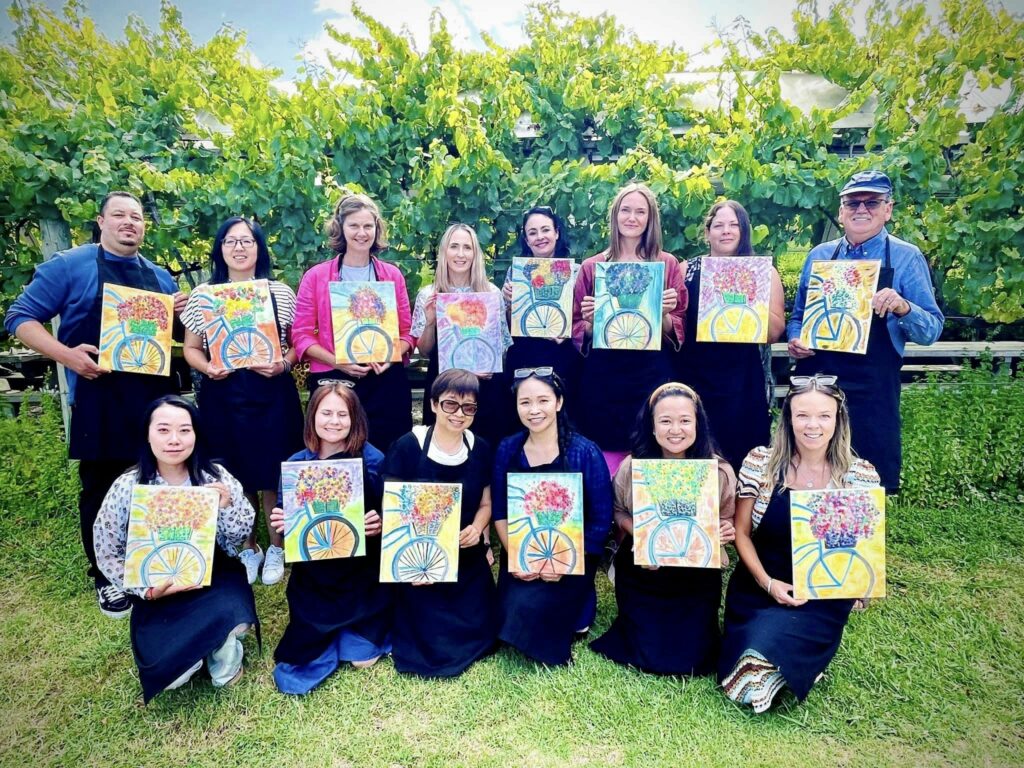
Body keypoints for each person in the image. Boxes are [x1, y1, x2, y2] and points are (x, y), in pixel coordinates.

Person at [4, 191, 185, 618]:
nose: (129, 223)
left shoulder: (160, 278)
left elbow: (177, 336)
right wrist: (67, 355)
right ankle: (106, 577)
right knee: (101, 490)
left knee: (154, 487)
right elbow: (20, 319)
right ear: (100, 221)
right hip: (98, 397)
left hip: (152, 400)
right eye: (119, 215)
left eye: (137, 218)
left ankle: (152, 560)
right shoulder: (71, 265)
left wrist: (183, 311)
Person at [718, 375, 880, 712]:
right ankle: (781, 662)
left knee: (768, 651)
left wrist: (859, 589)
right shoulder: (760, 464)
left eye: (824, 416)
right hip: (760, 585)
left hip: (823, 591)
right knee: (749, 654)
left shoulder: (858, 476)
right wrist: (768, 583)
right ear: (788, 419)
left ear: (838, 420)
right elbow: (742, 533)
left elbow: (862, 546)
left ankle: (788, 663)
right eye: (802, 415)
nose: (813, 425)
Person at [92, 395, 257, 702]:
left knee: (236, 624)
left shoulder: (215, 478)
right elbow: (107, 549)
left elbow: (239, 534)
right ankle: (195, 653)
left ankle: (225, 657)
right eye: (164, 430)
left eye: (184, 430)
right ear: (147, 434)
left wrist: (226, 506)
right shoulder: (128, 486)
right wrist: (146, 589)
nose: (174, 440)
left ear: (196, 434)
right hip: (159, 583)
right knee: (173, 678)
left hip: (214, 576)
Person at [787, 171, 944, 491]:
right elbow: (799, 316)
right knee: (813, 460)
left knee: (869, 469)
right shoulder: (819, 256)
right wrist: (794, 338)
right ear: (842, 211)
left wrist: (904, 308)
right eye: (852, 202)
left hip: (873, 385)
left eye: (871, 202)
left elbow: (931, 331)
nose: (861, 209)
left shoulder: (905, 257)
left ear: (888, 209)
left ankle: (862, 532)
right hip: (820, 379)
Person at [181, 216, 304, 586]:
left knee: (275, 473)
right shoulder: (204, 295)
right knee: (233, 473)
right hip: (223, 394)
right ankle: (248, 548)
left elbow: (298, 342)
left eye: (247, 241)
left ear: (259, 248)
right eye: (230, 241)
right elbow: (190, 348)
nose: (239, 247)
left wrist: (283, 363)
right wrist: (208, 367)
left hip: (272, 391)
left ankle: (278, 547)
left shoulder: (280, 291)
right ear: (220, 249)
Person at [589, 383, 736, 675]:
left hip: (696, 572)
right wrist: (641, 531)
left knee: (693, 656)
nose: (675, 429)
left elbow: (727, 519)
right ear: (652, 427)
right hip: (645, 569)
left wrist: (724, 530)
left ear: (698, 424)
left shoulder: (717, 471)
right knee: (647, 649)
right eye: (665, 421)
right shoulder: (633, 467)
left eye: (685, 421)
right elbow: (617, 512)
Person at [268, 382, 392, 694]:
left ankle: (354, 632)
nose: (334, 421)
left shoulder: (374, 459)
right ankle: (327, 636)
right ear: (312, 416)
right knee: (300, 661)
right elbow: (289, 514)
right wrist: (283, 521)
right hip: (315, 575)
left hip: (360, 572)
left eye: (342, 414)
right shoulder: (296, 463)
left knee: (363, 659)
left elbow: (390, 511)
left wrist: (379, 523)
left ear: (355, 419)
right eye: (326, 413)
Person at [491, 368, 613, 666]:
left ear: (558, 402)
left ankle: (579, 605)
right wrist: (518, 557)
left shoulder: (585, 451)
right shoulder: (508, 448)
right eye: (525, 402)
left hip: (572, 557)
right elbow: (500, 511)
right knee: (513, 611)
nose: (534, 410)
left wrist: (565, 562)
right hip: (523, 553)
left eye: (543, 400)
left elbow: (600, 520)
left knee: (556, 615)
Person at [383, 369, 497, 677]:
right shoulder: (408, 446)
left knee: (483, 628)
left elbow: (486, 503)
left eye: (468, 407)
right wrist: (409, 563)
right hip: (420, 561)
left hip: (465, 557)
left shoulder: (480, 447)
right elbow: (393, 510)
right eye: (450, 404)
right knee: (426, 636)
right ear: (433, 404)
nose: (459, 414)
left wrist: (477, 529)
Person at [572, 183, 686, 473]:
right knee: (603, 446)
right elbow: (576, 328)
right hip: (604, 375)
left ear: (650, 219)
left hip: (650, 371)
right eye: (625, 210)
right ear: (615, 215)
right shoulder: (592, 266)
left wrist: (662, 313)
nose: (632, 217)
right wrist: (590, 321)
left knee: (650, 443)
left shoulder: (667, 264)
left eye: (640, 211)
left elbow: (677, 330)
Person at [293, 193, 414, 454]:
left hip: (384, 379)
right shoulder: (315, 277)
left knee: (388, 455)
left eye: (368, 226)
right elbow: (301, 336)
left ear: (377, 228)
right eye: (354, 226)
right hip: (334, 379)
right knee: (337, 455)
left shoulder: (392, 275)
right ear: (341, 228)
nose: (362, 233)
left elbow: (407, 334)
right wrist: (338, 361)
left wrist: (391, 356)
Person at [679, 200, 786, 470]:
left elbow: (775, 332)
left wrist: (748, 305)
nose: (726, 231)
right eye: (718, 225)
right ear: (707, 232)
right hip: (694, 378)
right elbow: (674, 325)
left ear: (744, 231)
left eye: (733, 225)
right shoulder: (686, 270)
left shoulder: (763, 272)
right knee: (695, 455)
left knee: (743, 457)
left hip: (743, 383)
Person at [411, 223, 512, 448]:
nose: (460, 254)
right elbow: (425, 351)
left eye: (467, 247)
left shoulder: (492, 293)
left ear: (475, 254)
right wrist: (429, 322)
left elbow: (502, 346)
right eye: (454, 246)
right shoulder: (429, 294)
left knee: (485, 451)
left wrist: (482, 364)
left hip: (484, 388)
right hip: (444, 386)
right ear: (444, 252)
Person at [500, 206, 580, 410]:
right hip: (524, 355)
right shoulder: (516, 271)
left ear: (557, 233)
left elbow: (582, 320)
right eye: (532, 233)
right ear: (526, 240)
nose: (540, 237)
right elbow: (508, 326)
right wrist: (508, 302)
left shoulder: (575, 272)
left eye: (545, 230)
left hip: (563, 355)